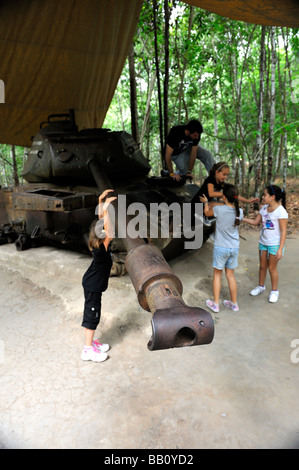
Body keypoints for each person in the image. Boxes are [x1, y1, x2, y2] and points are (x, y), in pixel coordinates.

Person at [81, 189, 117, 362]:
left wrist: (101, 201)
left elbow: (102, 225)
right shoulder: (102, 249)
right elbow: (108, 227)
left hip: (92, 284)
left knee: (95, 313)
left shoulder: (99, 244)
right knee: (91, 316)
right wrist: (108, 207)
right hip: (92, 286)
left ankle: (92, 344)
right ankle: (87, 350)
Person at [200, 183, 243, 313]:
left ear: (224, 197)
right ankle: (234, 304)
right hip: (234, 248)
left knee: (217, 275)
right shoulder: (240, 212)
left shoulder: (219, 209)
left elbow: (207, 212)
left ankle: (215, 304)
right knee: (230, 275)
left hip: (221, 248)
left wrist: (206, 202)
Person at [242, 184, 288, 303]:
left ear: (272, 197)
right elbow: (255, 222)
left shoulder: (281, 211)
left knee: (272, 268)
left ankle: (274, 291)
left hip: (274, 245)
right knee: (262, 266)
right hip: (263, 243)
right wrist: (241, 218)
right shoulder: (263, 209)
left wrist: (280, 249)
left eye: (265, 195)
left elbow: (283, 232)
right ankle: (261, 287)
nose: (262, 197)